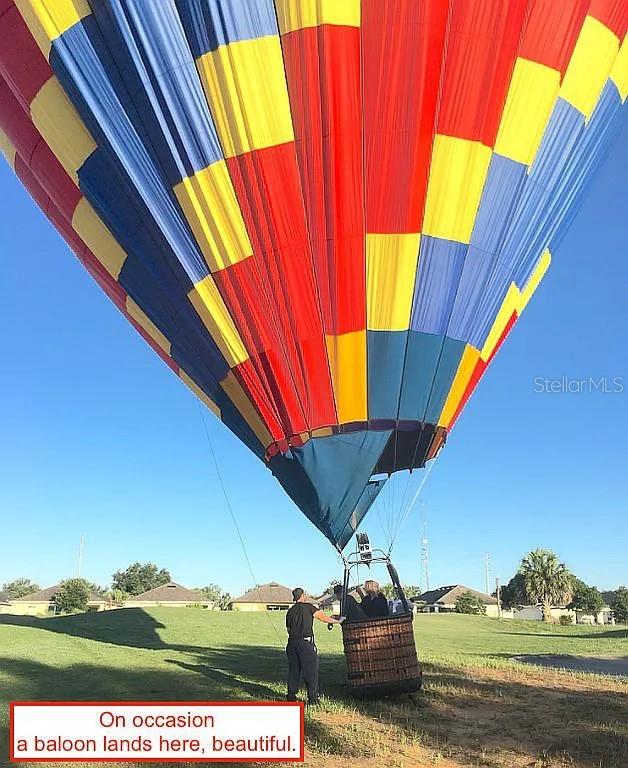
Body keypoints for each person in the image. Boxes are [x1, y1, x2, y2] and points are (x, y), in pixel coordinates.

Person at [285, 587, 343, 704]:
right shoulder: (309, 607)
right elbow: (322, 617)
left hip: (292, 644)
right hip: (306, 644)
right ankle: (313, 698)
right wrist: (338, 621)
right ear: (303, 595)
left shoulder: (290, 611)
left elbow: (288, 629)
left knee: (294, 670)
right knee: (310, 671)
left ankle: (291, 696)